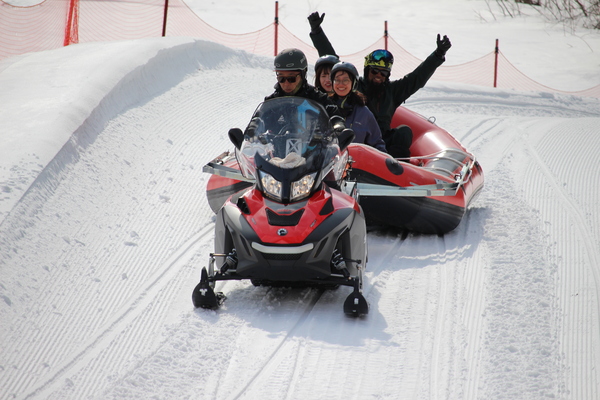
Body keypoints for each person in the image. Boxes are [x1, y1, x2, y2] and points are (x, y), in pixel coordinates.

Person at [307, 12, 452, 159]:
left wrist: (438, 55)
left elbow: (417, 78)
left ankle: (396, 168)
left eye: (383, 73)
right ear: (367, 70)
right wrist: (317, 31)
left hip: (382, 142)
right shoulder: (354, 86)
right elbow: (336, 65)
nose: (378, 76)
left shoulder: (392, 91)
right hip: (359, 137)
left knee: (404, 132)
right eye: (374, 71)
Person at [329, 61, 387, 152]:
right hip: (329, 159)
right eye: (337, 80)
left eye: (345, 80)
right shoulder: (326, 107)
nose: (341, 84)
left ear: (353, 83)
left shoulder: (363, 112)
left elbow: (377, 143)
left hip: (354, 159)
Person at [265, 48, 338, 117]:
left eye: (291, 78)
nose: (286, 84)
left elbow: (335, 116)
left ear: (303, 75)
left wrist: (338, 124)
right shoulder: (271, 102)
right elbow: (260, 119)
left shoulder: (319, 99)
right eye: (281, 78)